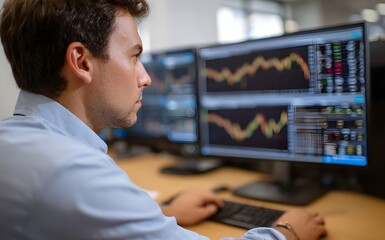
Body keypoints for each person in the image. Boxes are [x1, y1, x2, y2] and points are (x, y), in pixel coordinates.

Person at [0, 0, 327, 239]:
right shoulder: (70, 170)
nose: (145, 78)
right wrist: (286, 233)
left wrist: (163, 215)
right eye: (134, 56)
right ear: (82, 62)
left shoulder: (15, 142)